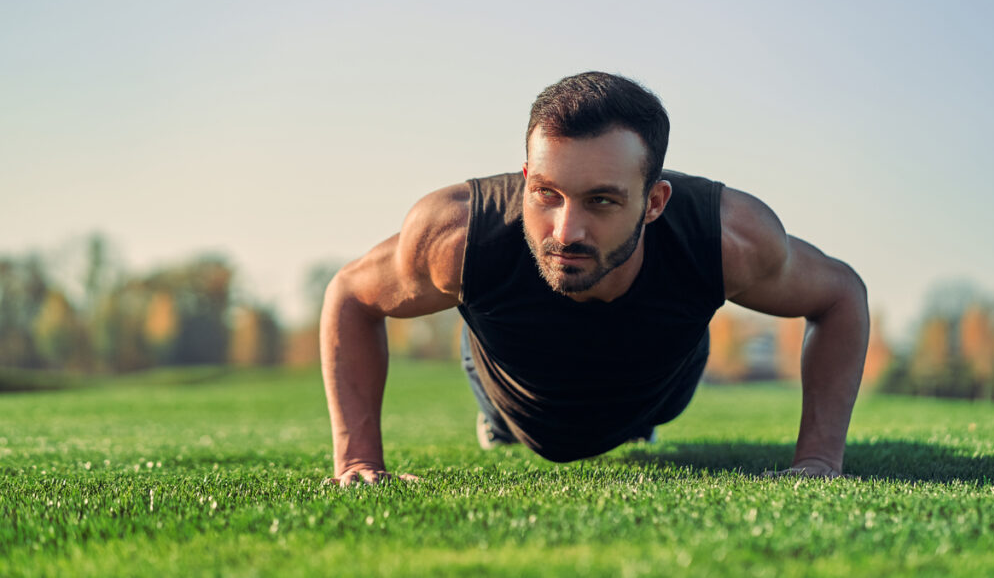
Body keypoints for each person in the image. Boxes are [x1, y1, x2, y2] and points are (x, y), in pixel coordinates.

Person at [320, 71, 869, 486]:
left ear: (654, 202)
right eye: (547, 194)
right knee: (504, 384)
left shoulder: (728, 237)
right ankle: (502, 425)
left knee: (654, 382)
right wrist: (359, 461)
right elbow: (350, 294)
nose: (566, 230)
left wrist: (818, 459)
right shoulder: (458, 234)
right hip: (511, 390)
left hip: (658, 385)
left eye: (601, 200)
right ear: (527, 175)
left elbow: (841, 294)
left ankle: (637, 419)